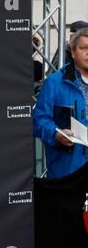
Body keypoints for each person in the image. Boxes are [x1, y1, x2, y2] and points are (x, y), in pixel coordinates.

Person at [34, 27, 88, 179]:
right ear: (72, 52)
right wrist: (56, 134)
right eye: (84, 48)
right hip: (67, 170)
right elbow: (39, 120)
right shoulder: (55, 82)